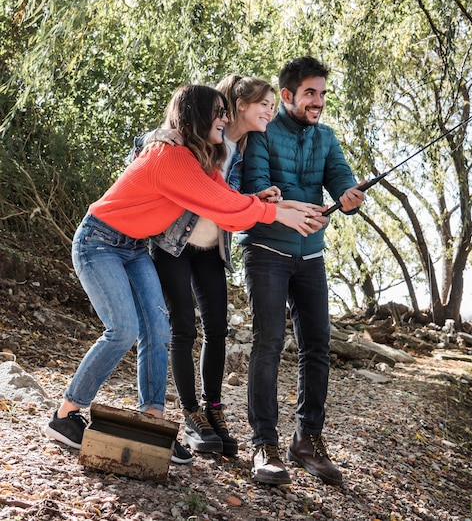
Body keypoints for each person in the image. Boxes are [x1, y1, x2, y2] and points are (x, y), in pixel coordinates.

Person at [44, 84, 325, 464]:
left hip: (132, 248)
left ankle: (153, 422)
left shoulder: (198, 162)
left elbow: (226, 203)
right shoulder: (168, 154)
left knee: (158, 332)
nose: (225, 119)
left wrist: (276, 204)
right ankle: (65, 414)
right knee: (123, 329)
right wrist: (278, 215)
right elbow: (219, 202)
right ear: (195, 115)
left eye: (227, 113)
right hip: (98, 241)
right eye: (218, 112)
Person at [240, 56, 365, 485]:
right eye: (311, 93)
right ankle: (264, 444)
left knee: (317, 346)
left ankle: (307, 440)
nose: (319, 101)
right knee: (269, 343)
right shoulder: (261, 134)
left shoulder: (327, 138)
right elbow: (255, 192)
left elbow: (342, 181)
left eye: (323, 94)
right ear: (288, 95)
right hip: (265, 252)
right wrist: (278, 204)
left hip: (311, 257)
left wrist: (349, 197)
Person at [142, 76, 280, 457]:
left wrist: (257, 199)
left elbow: (228, 197)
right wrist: (159, 136)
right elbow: (152, 149)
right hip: (174, 243)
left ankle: (213, 409)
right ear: (237, 104)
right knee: (183, 326)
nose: (270, 111)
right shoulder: (192, 133)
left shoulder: (248, 146)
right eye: (263, 103)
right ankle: (191, 415)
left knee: (217, 327)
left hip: (211, 248)